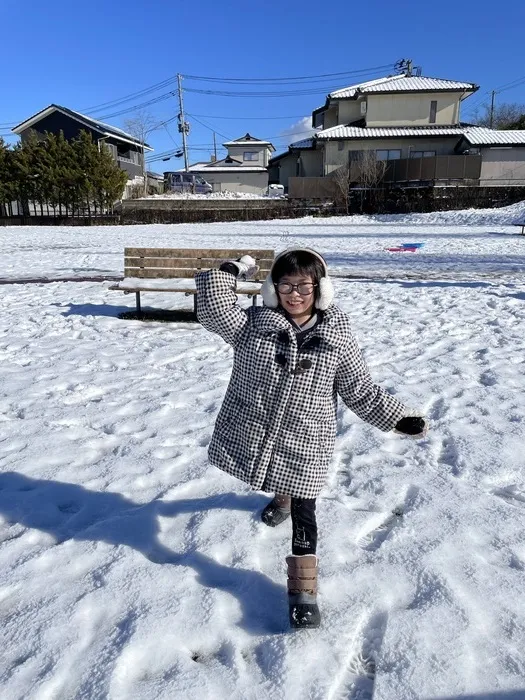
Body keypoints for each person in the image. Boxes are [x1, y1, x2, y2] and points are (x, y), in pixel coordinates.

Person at [195, 248, 428, 630]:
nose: (294, 293)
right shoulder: (253, 324)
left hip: (307, 440)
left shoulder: (337, 335)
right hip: (257, 428)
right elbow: (212, 308)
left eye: (303, 284)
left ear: (321, 288)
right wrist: (231, 269)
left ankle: (302, 593)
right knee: (278, 478)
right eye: (284, 284)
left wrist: (398, 418)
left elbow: (359, 389)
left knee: (307, 509)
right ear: (273, 288)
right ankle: (281, 496)